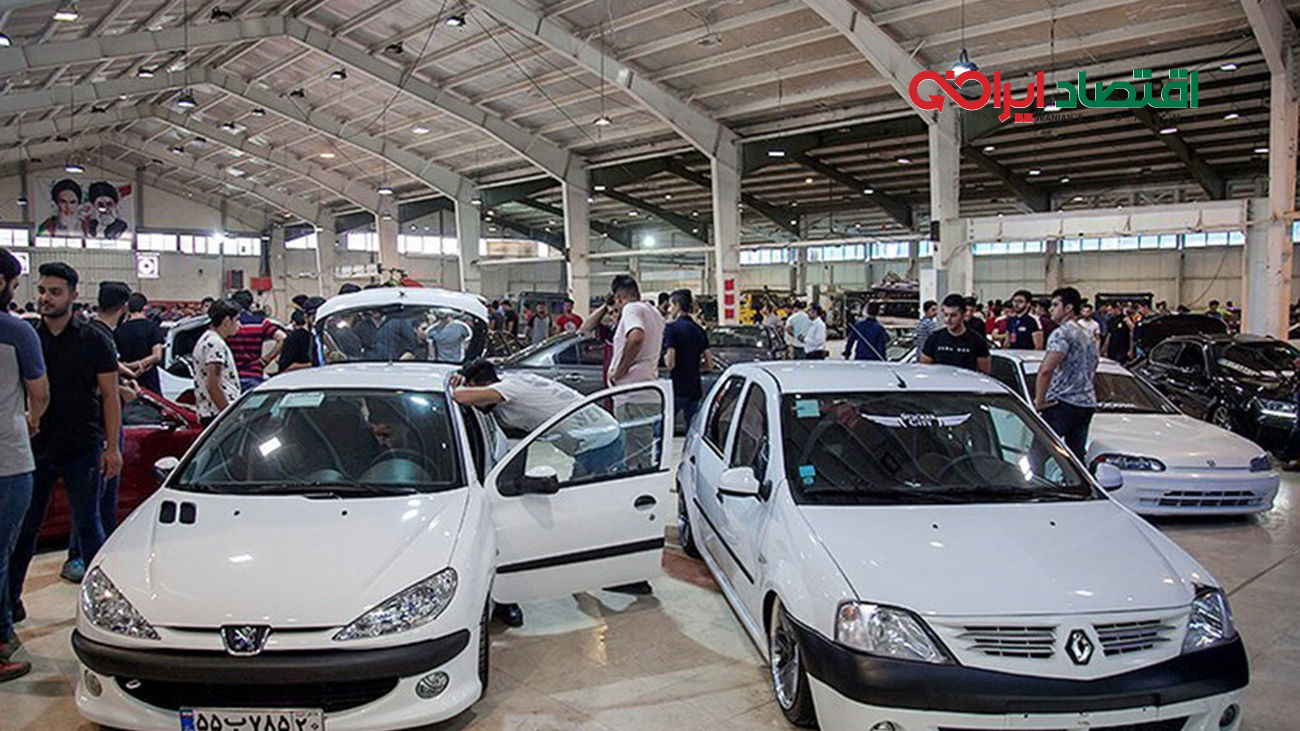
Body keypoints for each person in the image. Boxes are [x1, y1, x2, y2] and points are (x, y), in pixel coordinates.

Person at [449, 358, 624, 626]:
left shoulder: (509, 388)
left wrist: (455, 383)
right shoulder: (514, 380)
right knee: (594, 509)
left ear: (484, 384)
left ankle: (615, 573)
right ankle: (619, 572)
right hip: (603, 432)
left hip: (599, 443)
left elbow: (459, 397)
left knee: (587, 513)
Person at [10, 263, 121, 623]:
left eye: (55, 292)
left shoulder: (94, 340)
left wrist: (113, 448)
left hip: (82, 447)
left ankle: (105, 606)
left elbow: (110, 396)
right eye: (42, 290)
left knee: (88, 526)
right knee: (26, 529)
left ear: (74, 295)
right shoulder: (28, 337)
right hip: (36, 447)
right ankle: (10, 602)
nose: (46, 298)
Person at [64, 282, 134, 583]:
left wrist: (125, 371)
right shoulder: (100, 337)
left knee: (91, 501)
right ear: (124, 306)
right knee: (97, 501)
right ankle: (87, 559)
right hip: (101, 428)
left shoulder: (93, 333)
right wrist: (121, 392)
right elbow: (98, 389)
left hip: (92, 427)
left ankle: (84, 557)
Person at [0, 250, 48, 683]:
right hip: (7, 459)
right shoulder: (17, 332)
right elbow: (40, 393)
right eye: (15, 284)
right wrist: (31, 423)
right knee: (2, 552)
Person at [1034, 287, 1099, 463]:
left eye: (1055, 305)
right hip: (1086, 402)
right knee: (1075, 458)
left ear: (1069, 308)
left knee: (1038, 454)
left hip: (1062, 403)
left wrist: (1040, 400)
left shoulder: (1061, 334)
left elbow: (1046, 370)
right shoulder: (1088, 333)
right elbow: (1094, 364)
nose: (1050, 309)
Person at [662, 289, 712, 428]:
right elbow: (710, 364)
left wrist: (665, 357)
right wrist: (694, 366)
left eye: (671, 305)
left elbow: (670, 363)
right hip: (695, 388)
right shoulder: (699, 330)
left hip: (677, 387)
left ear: (677, 306)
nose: (669, 310)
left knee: (664, 427)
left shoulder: (671, 329)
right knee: (693, 428)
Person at [193, 299, 242, 425]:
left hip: (211, 411)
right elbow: (213, 384)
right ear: (227, 321)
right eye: (237, 320)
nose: (239, 324)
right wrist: (228, 414)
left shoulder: (206, 339)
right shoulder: (215, 344)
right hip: (216, 413)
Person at [227, 290, 286, 391]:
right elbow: (282, 337)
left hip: (231, 376)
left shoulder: (228, 324)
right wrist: (266, 360)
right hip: (254, 374)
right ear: (250, 304)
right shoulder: (260, 323)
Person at [920, 294, 991, 373]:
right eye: (946, 315)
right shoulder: (934, 338)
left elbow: (984, 373)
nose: (948, 319)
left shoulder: (977, 341)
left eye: (953, 315)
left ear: (963, 315)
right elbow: (925, 369)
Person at [115, 292, 166, 393]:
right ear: (145, 307)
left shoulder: (119, 330)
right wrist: (140, 364)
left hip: (127, 380)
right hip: (149, 379)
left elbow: (115, 359)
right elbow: (157, 356)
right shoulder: (152, 328)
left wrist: (129, 365)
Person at [277, 296, 325, 373]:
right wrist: (313, 364)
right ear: (306, 317)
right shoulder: (295, 338)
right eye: (314, 318)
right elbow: (286, 368)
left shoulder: (329, 337)